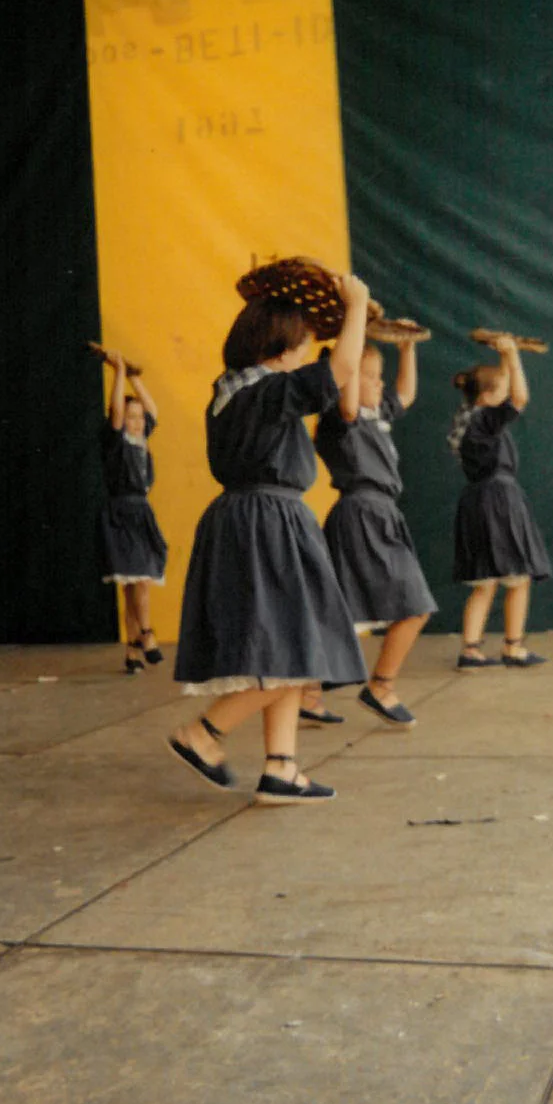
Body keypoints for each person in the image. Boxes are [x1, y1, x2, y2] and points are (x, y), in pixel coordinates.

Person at [168, 275, 370, 804]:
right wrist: (357, 305)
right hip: (269, 522)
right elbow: (341, 371)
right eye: (302, 344)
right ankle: (203, 733)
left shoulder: (230, 391)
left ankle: (282, 767)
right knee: (295, 644)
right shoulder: (268, 391)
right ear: (280, 348)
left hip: (248, 519)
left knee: (290, 646)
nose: (305, 354)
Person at [315, 337, 436, 726]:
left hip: (380, 513)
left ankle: (307, 694)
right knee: (415, 605)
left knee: (340, 610)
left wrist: (407, 348)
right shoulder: (340, 418)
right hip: (362, 513)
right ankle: (380, 687)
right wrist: (351, 345)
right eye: (369, 375)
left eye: (378, 376)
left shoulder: (376, 412)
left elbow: (406, 394)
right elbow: (348, 397)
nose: (379, 383)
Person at [450, 336, 552, 669]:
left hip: (476, 501)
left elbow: (506, 388)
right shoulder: (486, 419)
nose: (507, 395)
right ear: (487, 396)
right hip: (499, 501)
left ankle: (470, 650)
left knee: (485, 581)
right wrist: (511, 354)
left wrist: (507, 358)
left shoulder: (469, 418)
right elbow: (520, 396)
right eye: (501, 391)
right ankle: (513, 647)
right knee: (519, 577)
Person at [97, 350, 167, 673]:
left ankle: (132, 650)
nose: (138, 422)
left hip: (141, 513)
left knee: (135, 585)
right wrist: (119, 373)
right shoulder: (116, 442)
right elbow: (115, 410)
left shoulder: (142, 440)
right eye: (131, 417)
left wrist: (135, 378)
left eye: (139, 417)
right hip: (121, 514)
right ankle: (147, 634)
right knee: (138, 579)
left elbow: (153, 410)